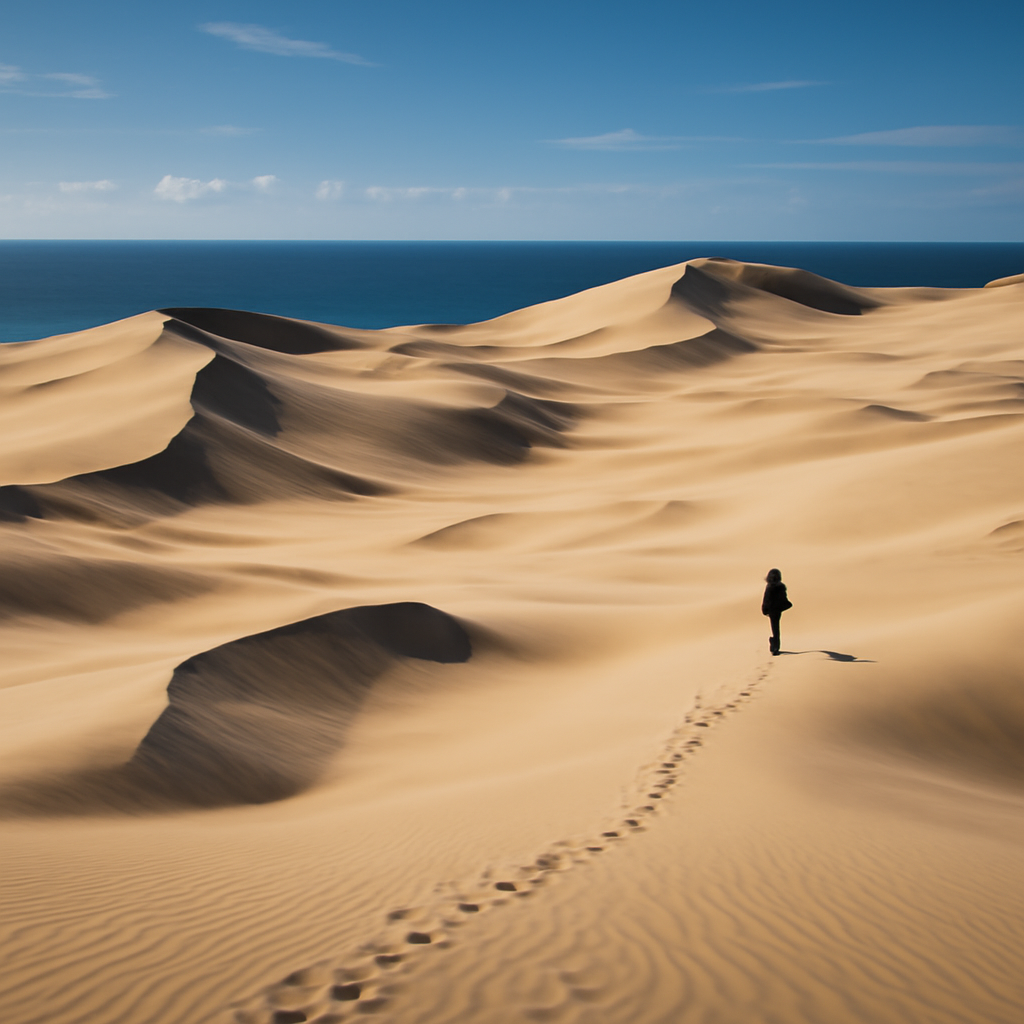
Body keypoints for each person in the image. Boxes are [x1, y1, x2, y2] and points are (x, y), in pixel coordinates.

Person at [761, 568, 792, 655]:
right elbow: (783, 598)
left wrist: (764, 609)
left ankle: (774, 645)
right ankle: (775, 645)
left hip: (772, 610)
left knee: (775, 628)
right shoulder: (780, 587)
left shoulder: (770, 587)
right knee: (776, 628)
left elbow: (766, 600)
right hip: (777, 610)